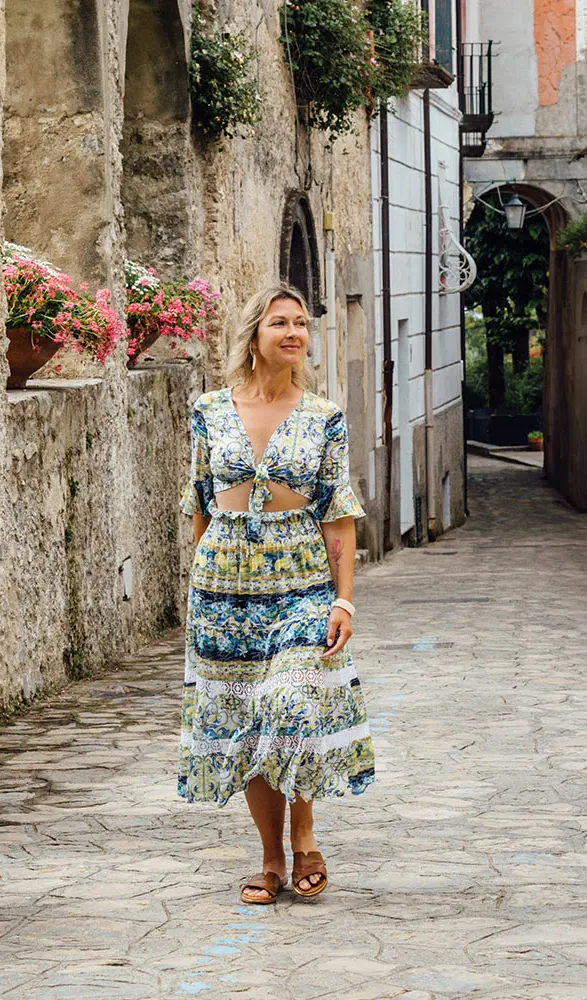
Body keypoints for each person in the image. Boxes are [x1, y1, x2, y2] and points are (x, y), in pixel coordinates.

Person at [177, 283, 375, 904]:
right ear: (254, 337)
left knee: (292, 707)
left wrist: (344, 600)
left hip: (301, 587)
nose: (294, 333)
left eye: (301, 324)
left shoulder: (324, 418)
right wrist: (200, 586)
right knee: (245, 723)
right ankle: (269, 858)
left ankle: (306, 834)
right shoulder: (208, 410)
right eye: (280, 324)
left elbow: (337, 514)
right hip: (225, 588)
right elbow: (199, 504)